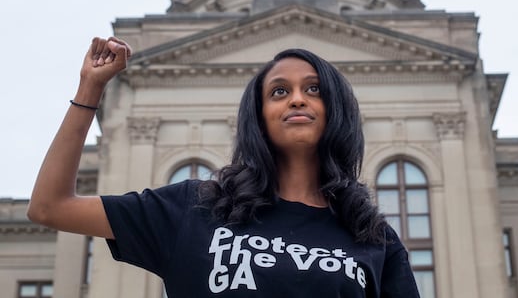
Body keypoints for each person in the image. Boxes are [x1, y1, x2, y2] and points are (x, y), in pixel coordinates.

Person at [28, 36, 420, 297]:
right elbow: (49, 206)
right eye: (279, 91)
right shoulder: (195, 209)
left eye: (314, 89)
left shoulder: (372, 237)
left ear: (337, 111)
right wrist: (90, 89)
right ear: (258, 115)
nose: (297, 99)